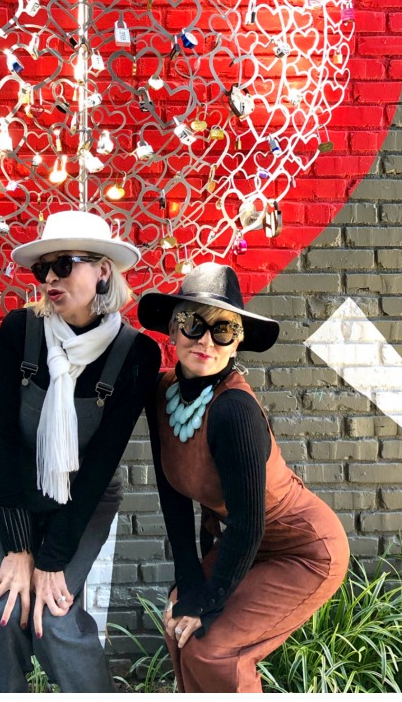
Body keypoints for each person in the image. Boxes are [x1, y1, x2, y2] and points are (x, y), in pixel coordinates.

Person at [138, 263, 350, 693]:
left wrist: (209, 601)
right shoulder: (161, 395)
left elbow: (250, 523)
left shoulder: (234, 410)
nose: (205, 341)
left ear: (236, 344)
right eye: (192, 323)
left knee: (212, 648)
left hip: (303, 549)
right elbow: (171, 493)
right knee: (179, 623)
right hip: (247, 543)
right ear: (172, 330)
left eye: (223, 330)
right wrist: (188, 582)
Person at [0, 209, 162, 692]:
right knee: (5, 614)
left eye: (65, 265)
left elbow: (100, 467)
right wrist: (19, 549)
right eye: (43, 269)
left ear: (103, 269)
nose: (51, 278)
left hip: (84, 499)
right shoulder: (18, 329)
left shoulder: (136, 354)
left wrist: (51, 561)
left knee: (54, 619)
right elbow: (1, 442)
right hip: (7, 488)